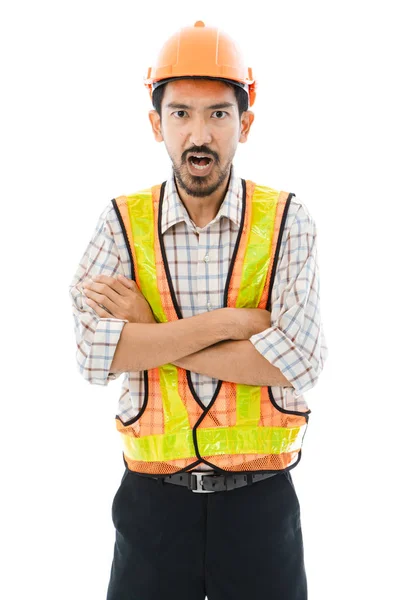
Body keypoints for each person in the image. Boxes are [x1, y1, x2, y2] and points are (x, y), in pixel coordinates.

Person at [69, 20, 328, 600]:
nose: (199, 134)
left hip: (261, 509)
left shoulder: (288, 221)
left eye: (218, 113)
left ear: (245, 123)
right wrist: (233, 324)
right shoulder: (121, 223)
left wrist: (146, 332)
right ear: (156, 123)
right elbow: (92, 358)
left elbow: (300, 361)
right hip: (151, 511)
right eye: (181, 113)